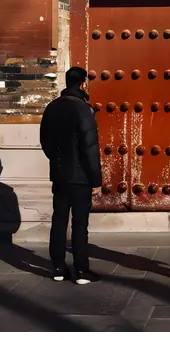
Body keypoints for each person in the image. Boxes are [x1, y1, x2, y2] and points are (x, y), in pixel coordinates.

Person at [40, 66, 102, 283]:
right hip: (80, 177)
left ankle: (57, 268)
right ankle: (81, 271)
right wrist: (95, 178)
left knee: (59, 220)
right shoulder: (84, 109)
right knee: (79, 223)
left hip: (59, 174)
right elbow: (89, 147)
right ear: (83, 83)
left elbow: (45, 141)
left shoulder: (52, 107)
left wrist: (57, 161)